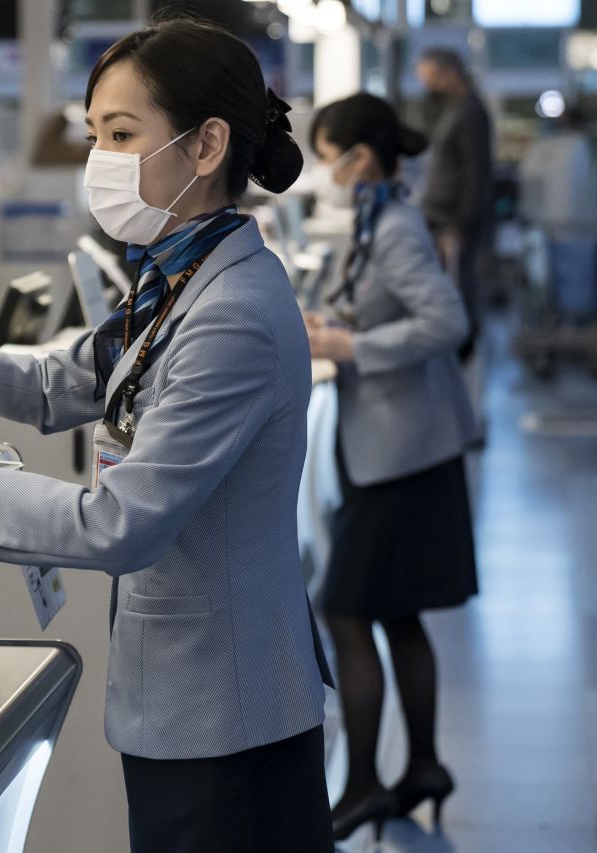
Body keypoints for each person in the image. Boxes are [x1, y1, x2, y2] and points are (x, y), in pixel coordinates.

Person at [0, 18, 334, 853]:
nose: (100, 159)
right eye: (95, 133)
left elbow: (121, 523)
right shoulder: (178, 279)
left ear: (207, 145)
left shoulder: (230, 314)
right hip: (192, 698)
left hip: (223, 710)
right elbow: (63, 380)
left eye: (122, 135)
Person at [305, 93, 479, 842]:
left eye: (329, 153)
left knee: (346, 608)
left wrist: (350, 348)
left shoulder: (399, 227)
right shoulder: (381, 218)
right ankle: (425, 767)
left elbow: (446, 321)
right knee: (397, 611)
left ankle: (369, 782)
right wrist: (335, 325)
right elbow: (385, 310)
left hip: (405, 456)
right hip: (403, 450)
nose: (325, 170)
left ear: (362, 157)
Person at [416, 48, 493, 356]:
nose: (427, 86)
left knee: (461, 290)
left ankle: (464, 354)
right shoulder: (455, 108)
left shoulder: (470, 111)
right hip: (445, 218)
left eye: (431, 78)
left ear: (450, 73)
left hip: (456, 222)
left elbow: (477, 173)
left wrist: (461, 224)